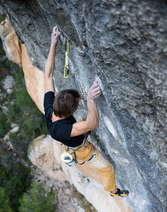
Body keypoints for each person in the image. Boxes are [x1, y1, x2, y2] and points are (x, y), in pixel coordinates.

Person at [44, 26, 129, 197]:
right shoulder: (64, 129)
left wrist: (53, 43)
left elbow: (48, 75)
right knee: (107, 168)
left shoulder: (49, 107)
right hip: (82, 149)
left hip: (68, 137)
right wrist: (90, 99)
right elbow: (93, 123)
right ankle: (113, 191)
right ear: (69, 112)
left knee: (82, 122)